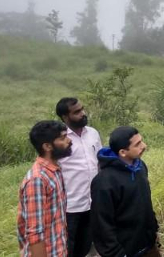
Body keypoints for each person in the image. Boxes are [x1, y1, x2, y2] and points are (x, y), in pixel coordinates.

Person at [91, 126, 160, 257]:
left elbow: (145, 203)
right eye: (138, 144)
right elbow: (102, 225)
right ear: (123, 152)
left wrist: (153, 230)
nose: (144, 146)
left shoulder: (140, 167)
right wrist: (116, 253)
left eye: (142, 141)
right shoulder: (104, 182)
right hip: (124, 250)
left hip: (148, 245)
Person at [17, 120, 73, 257]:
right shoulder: (37, 180)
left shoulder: (55, 170)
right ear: (47, 146)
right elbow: (35, 232)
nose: (69, 140)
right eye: (62, 138)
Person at [56, 97, 102, 257]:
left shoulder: (93, 133)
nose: (83, 114)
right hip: (70, 207)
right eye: (77, 112)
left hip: (93, 203)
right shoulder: (59, 140)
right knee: (69, 249)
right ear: (65, 117)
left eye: (82, 109)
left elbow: (99, 163)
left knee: (87, 246)